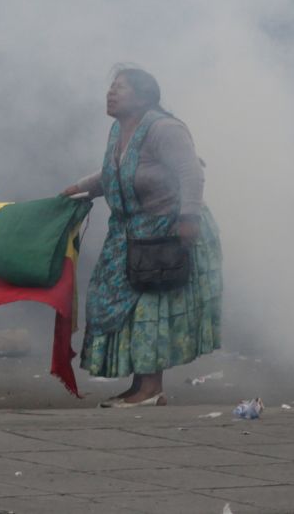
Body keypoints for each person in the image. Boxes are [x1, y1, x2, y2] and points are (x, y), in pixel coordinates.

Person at [61, 67, 222, 407]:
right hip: (130, 234)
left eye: (120, 87)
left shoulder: (165, 129)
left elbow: (190, 172)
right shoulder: (119, 131)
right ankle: (141, 386)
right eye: (110, 87)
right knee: (123, 307)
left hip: (166, 235)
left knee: (150, 309)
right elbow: (114, 173)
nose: (111, 93)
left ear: (144, 96)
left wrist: (188, 218)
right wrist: (78, 189)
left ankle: (151, 389)